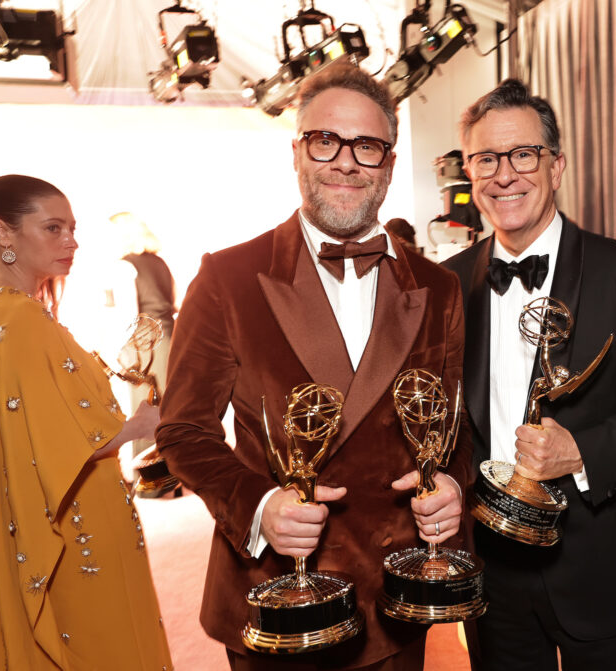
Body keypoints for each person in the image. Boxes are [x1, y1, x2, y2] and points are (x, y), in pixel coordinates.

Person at [156, 63, 470, 671]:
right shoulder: (227, 278)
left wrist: (453, 484)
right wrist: (258, 507)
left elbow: (453, 428)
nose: (346, 162)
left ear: (389, 160)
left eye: (367, 146)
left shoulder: (437, 287)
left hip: (395, 603)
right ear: (298, 152)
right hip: (277, 603)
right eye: (326, 140)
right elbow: (184, 430)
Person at [443, 80, 616, 670]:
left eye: (523, 154)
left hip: (604, 565)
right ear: (470, 171)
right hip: (493, 576)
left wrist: (581, 453)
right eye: (486, 158)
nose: (504, 174)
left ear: (556, 165)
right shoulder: (446, 285)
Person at [0, 174, 173, 670]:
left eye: (72, 228)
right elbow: (58, 445)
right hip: (75, 528)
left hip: (28, 526)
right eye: (53, 228)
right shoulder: (20, 319)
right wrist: (142, 424)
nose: (71, 241)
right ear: (3, 233)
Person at [110, 211, 176, 463]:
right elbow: (174, 302)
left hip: (144, 344)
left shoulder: (126, 265)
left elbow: (129, 313)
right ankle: (175, 472)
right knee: (169, 404)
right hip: (170, 338)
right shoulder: (160, 263)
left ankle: (152, 480)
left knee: (145, 408)